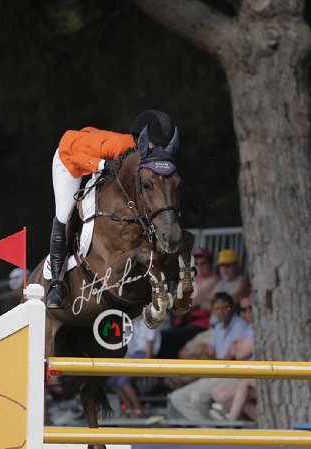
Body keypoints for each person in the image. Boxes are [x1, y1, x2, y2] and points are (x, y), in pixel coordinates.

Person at [46, 109, 177, 309]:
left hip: (96, 157)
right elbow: (78, 157)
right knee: (64, 212)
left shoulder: (141, 155)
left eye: (163, 146)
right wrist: (103, 164)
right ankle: (57, 282)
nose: (160, 150)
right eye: (157, 145)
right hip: (70, 157)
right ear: (142, 139)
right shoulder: (118, 145)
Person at [167, 292, 248, 421]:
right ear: (213, 310)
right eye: (217, 309)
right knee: (177, 397)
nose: (222, 312)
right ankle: (211, 429)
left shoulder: (240, 325)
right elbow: (209, 352)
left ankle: (217, 429)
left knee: (197, 397)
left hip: (229, 372)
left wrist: (208, 359)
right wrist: (204, 355)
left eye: (225, 308)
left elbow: (231, 358)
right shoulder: (219, 327)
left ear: (232, 308)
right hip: (214, 371)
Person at [158, 247, 219, 358]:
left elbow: (189, 302)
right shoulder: (195, 279)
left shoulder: (213, 279)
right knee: (160, 336)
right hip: (185, 322)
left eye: (203, 263)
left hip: (200, 324)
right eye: (196, 263)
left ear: (210, 264)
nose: (199, 266)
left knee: (165, 337)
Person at [210, 296, 257, 422]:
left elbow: (239, 354)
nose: (248, 312)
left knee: (224, 393)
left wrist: (236, 347)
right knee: (219, 393)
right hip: (243, 372)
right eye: (243, 309)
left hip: (257, 374)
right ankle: (258, 424)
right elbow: (231, 351)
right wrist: (235, 348)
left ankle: (231, 421)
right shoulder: (249, 327)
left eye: (251, 307)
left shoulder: (255, 327)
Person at [107, 315, 161, 418]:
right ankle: (129, 408)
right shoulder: (136, 323)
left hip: (144, 356)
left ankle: (138, 409)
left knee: (123, 382)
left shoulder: (150, 322)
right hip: (134, 356)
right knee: (112, 382)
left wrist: (147, 365)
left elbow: (149, 345)